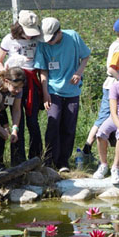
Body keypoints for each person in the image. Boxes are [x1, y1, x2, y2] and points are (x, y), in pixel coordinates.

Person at [34, 17, 91, 172]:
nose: (49, 42)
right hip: (53, 89)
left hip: (72, 90)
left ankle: (63, 162)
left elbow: (85, 56)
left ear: (59, 32)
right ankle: (48, 160)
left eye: (51, 38)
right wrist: (45, 93)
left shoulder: (72, 36)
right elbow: (43, 70)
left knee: (68, 126)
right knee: (53, 122)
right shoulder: (43, 44)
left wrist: (79, 72)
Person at [82, 16, 119, 162]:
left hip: (112, 85)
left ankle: (90, 147)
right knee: (104, 117)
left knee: (107, 116)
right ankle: (87, 147)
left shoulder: (115, 45)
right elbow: (112, 68)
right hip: (112, 87)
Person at [0, 10, 43, 164]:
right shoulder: (9, 39)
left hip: (31, 82)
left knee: (32, 120)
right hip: (13, 80)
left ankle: (36, 157)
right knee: (17, 121)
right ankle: (17, 159)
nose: (29, 35)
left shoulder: (39, 39)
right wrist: (5, 75)